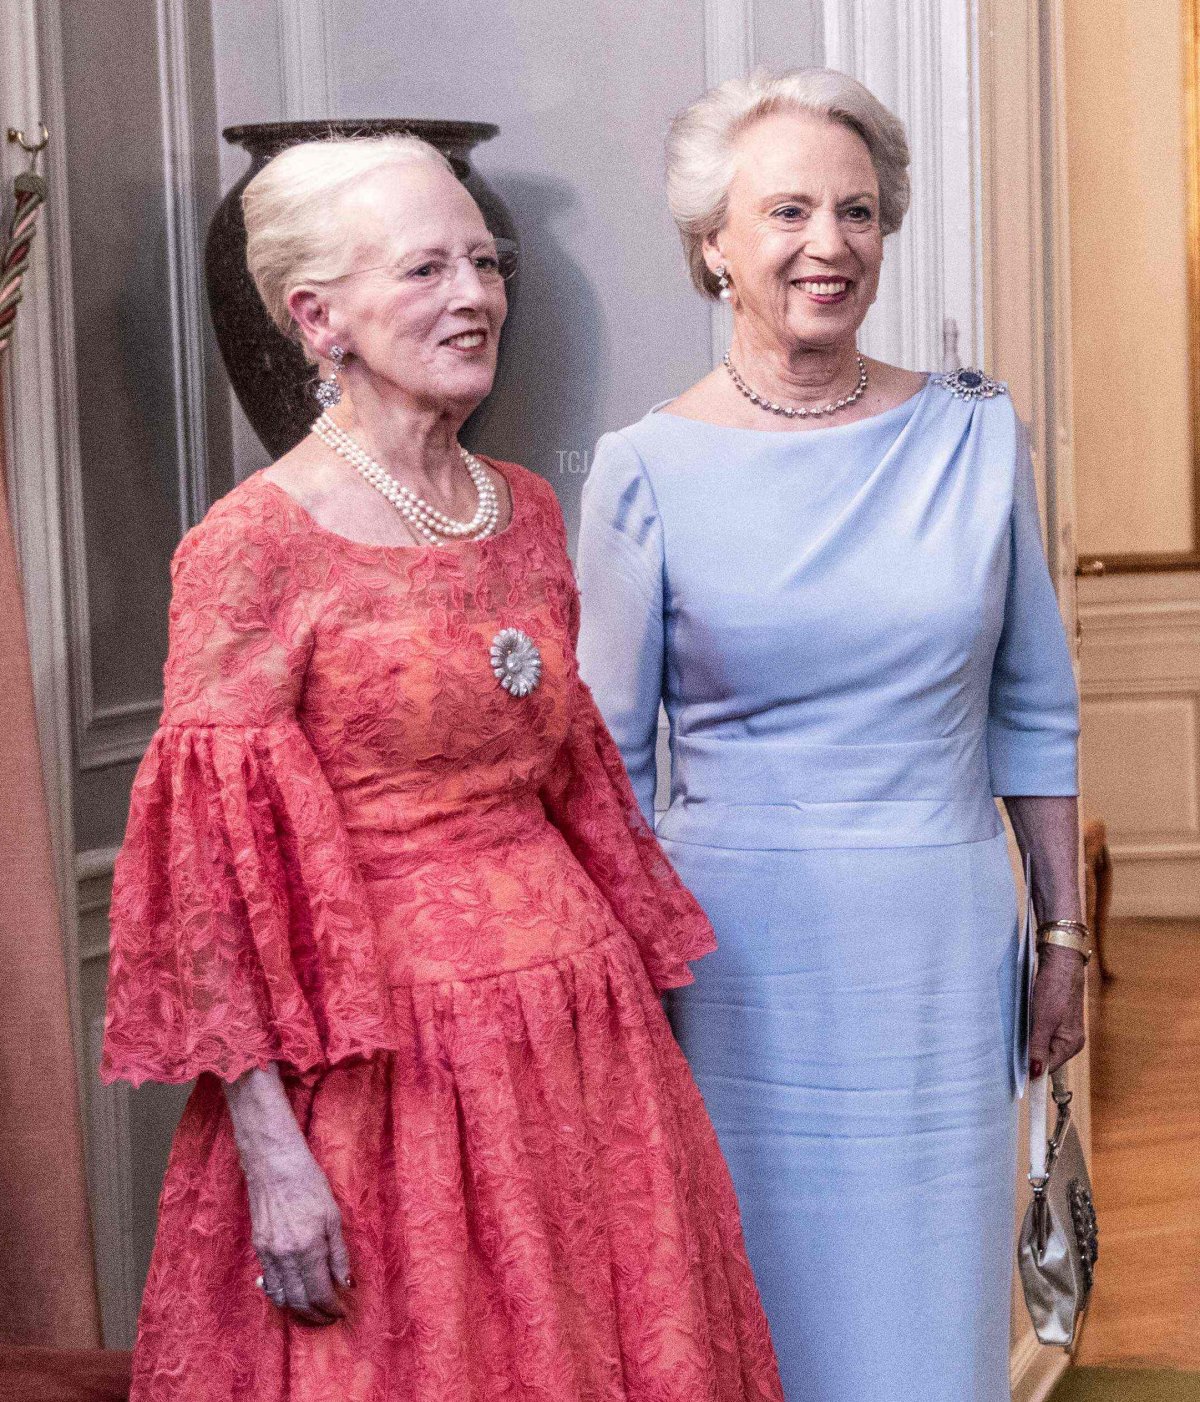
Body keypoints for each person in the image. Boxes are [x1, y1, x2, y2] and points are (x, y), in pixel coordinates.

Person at [101, 134, 782, 1402]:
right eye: (426, 269)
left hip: (575, 1042)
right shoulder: (253, 545)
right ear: (320, 318)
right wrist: (272, 1153)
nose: (475, 296)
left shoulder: (521, 506)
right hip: (378, 1077)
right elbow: (209, 877)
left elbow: (573, 784)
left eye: (484, 261)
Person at [577, 69, 1086, 1402]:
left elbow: (1032, 704)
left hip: (939, 938)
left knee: (931, 1313)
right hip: (735, 956)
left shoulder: (977, 427)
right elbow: (610, 766)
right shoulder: (644, 463)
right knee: (757, 1305)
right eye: (788, 209)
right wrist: (622, 987)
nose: (830, 243)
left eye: (858, 211)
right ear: (714, 245)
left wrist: (1064, 935)